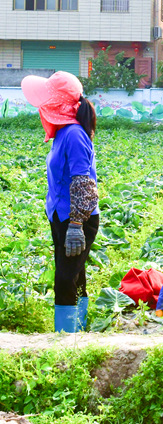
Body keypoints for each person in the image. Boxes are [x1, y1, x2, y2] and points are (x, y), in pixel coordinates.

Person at [21, 71, 99, 333]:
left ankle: (65, 336)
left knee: (65, 277)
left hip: (76, 218)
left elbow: (83, 182)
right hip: (61, 215)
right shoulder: (63, 133)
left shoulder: (74, 134)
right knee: (74, 273)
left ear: (58, 103)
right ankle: (78, 329)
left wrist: (76, 225)